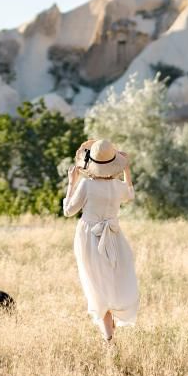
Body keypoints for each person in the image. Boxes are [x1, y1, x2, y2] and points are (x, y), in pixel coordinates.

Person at [62, 138, 139, 341]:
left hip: (89, 237)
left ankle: (108, 338)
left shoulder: (86, 185)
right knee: (111, 282)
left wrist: (71, 184)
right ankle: (110, 330)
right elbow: (130, 194)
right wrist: (127, 170)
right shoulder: (117, 186)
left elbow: (69, 211)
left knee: (97, 285)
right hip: (114, 236)